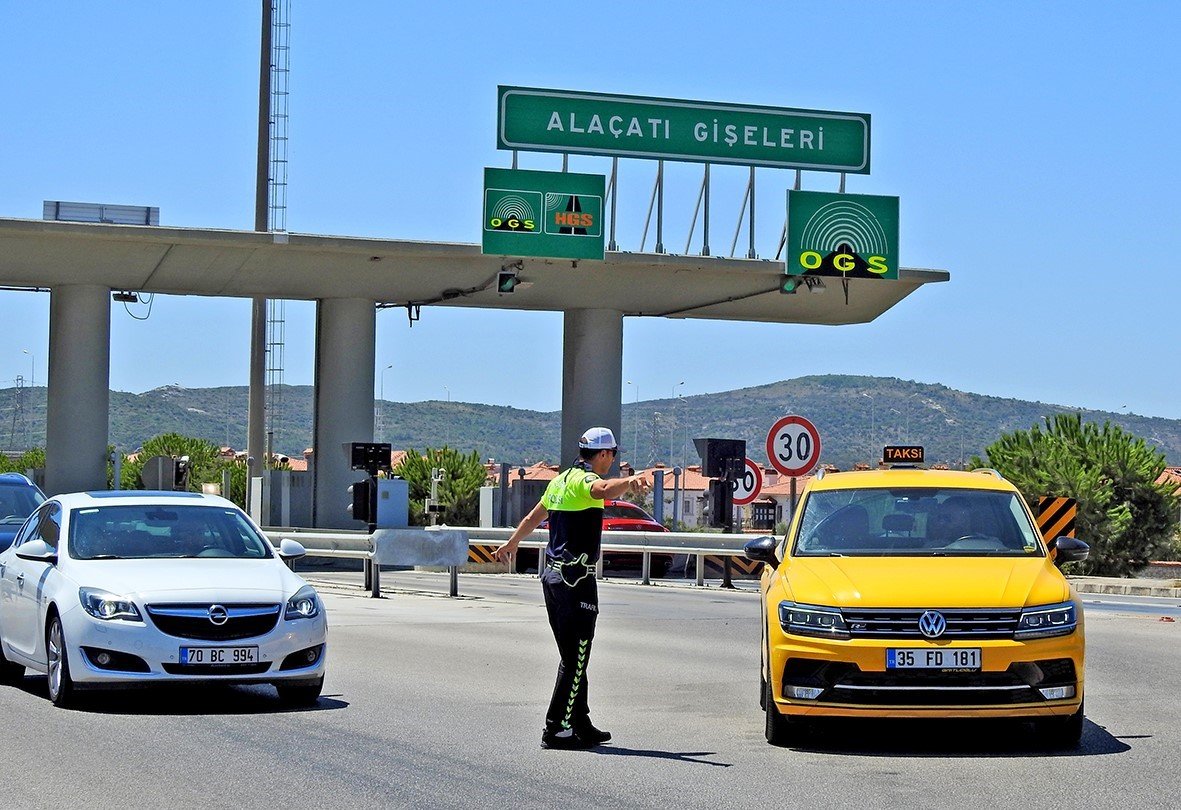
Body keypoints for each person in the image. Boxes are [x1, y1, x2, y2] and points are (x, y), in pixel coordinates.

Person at [495, 426, 650, 750]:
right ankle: (556, 729)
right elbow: (603, 488)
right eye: (612, 454)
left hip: (553, 578)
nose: (612, 460)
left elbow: (532, 518)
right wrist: (630, 482)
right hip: (575, 580)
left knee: (573, 656)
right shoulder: (585, 481)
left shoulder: (560, 480)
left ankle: (580, 723)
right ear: (603, 453)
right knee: (576, 656)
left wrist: (512, 543)